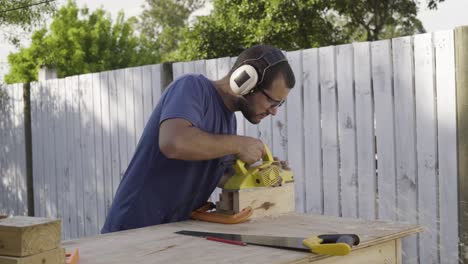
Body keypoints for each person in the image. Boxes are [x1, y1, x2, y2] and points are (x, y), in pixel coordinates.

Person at [101, 44, 296, 233]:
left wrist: (262, 176)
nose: (274, 111)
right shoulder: (192, 88)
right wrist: (239, 143)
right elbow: (173, 143)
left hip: (170, 235)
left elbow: (220, 177)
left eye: (280, 103)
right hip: (132, 231)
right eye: (271, 100)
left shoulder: (229, 123)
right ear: (246, 80)